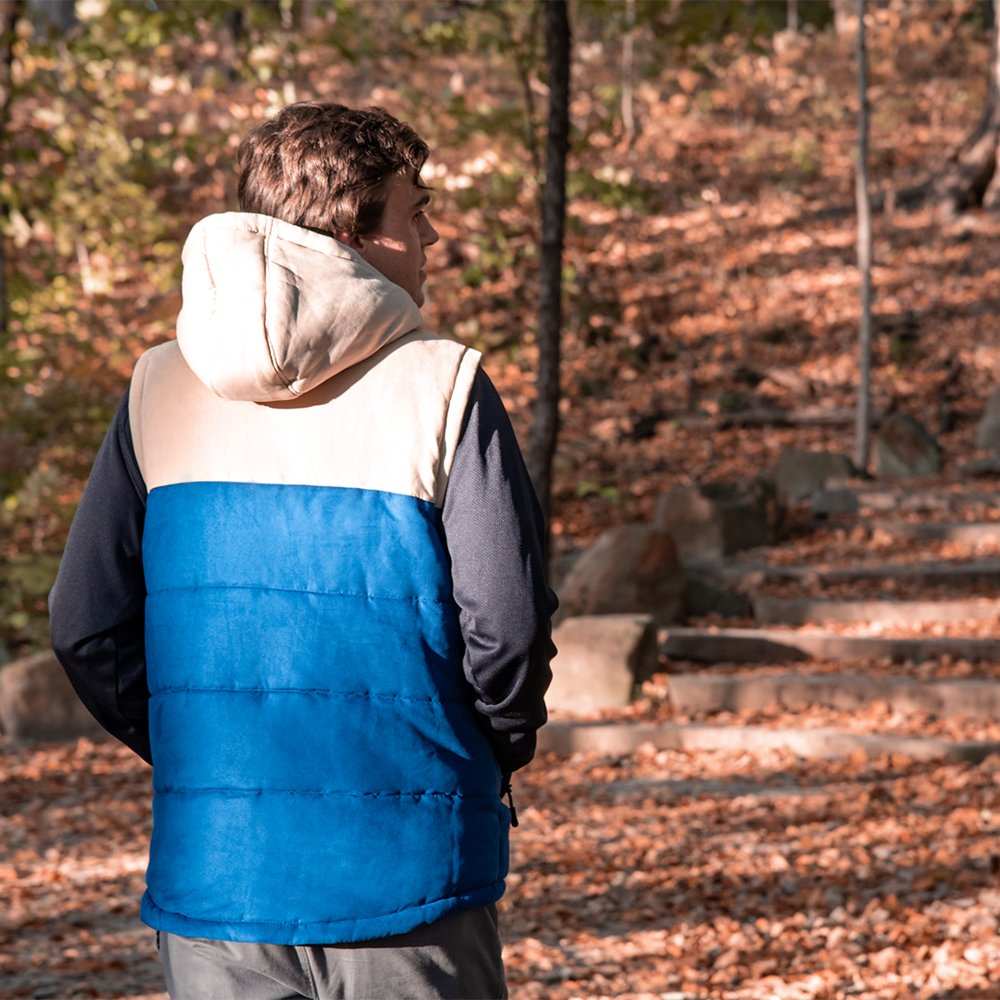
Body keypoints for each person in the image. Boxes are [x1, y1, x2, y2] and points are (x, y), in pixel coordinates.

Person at [47, 101, 559, 1000]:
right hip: (410, 871)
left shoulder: (158, 390)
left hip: (218, 872)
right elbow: (507, 630)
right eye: (415, 211)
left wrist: (202, 746)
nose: (434, 236)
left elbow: (85, 626)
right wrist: (480, 755)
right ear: (352, 234)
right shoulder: (443, 385)